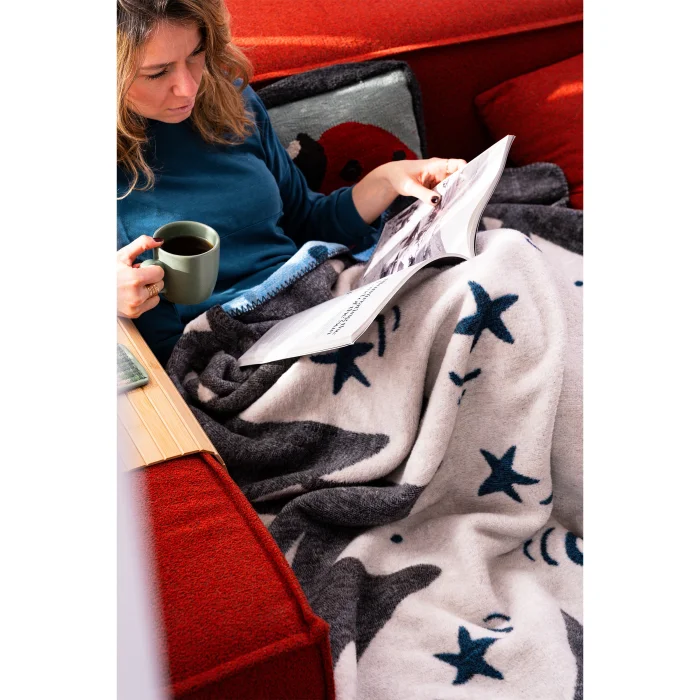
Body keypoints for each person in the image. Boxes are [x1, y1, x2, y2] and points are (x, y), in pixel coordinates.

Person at [117, 0, 465, 365]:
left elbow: (307, 221)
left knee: (490, 263)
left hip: (320, 302)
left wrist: (388, 179)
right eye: (157, 73)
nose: (188, 87)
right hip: (230, 353)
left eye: (196, 54)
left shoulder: (229, 101)